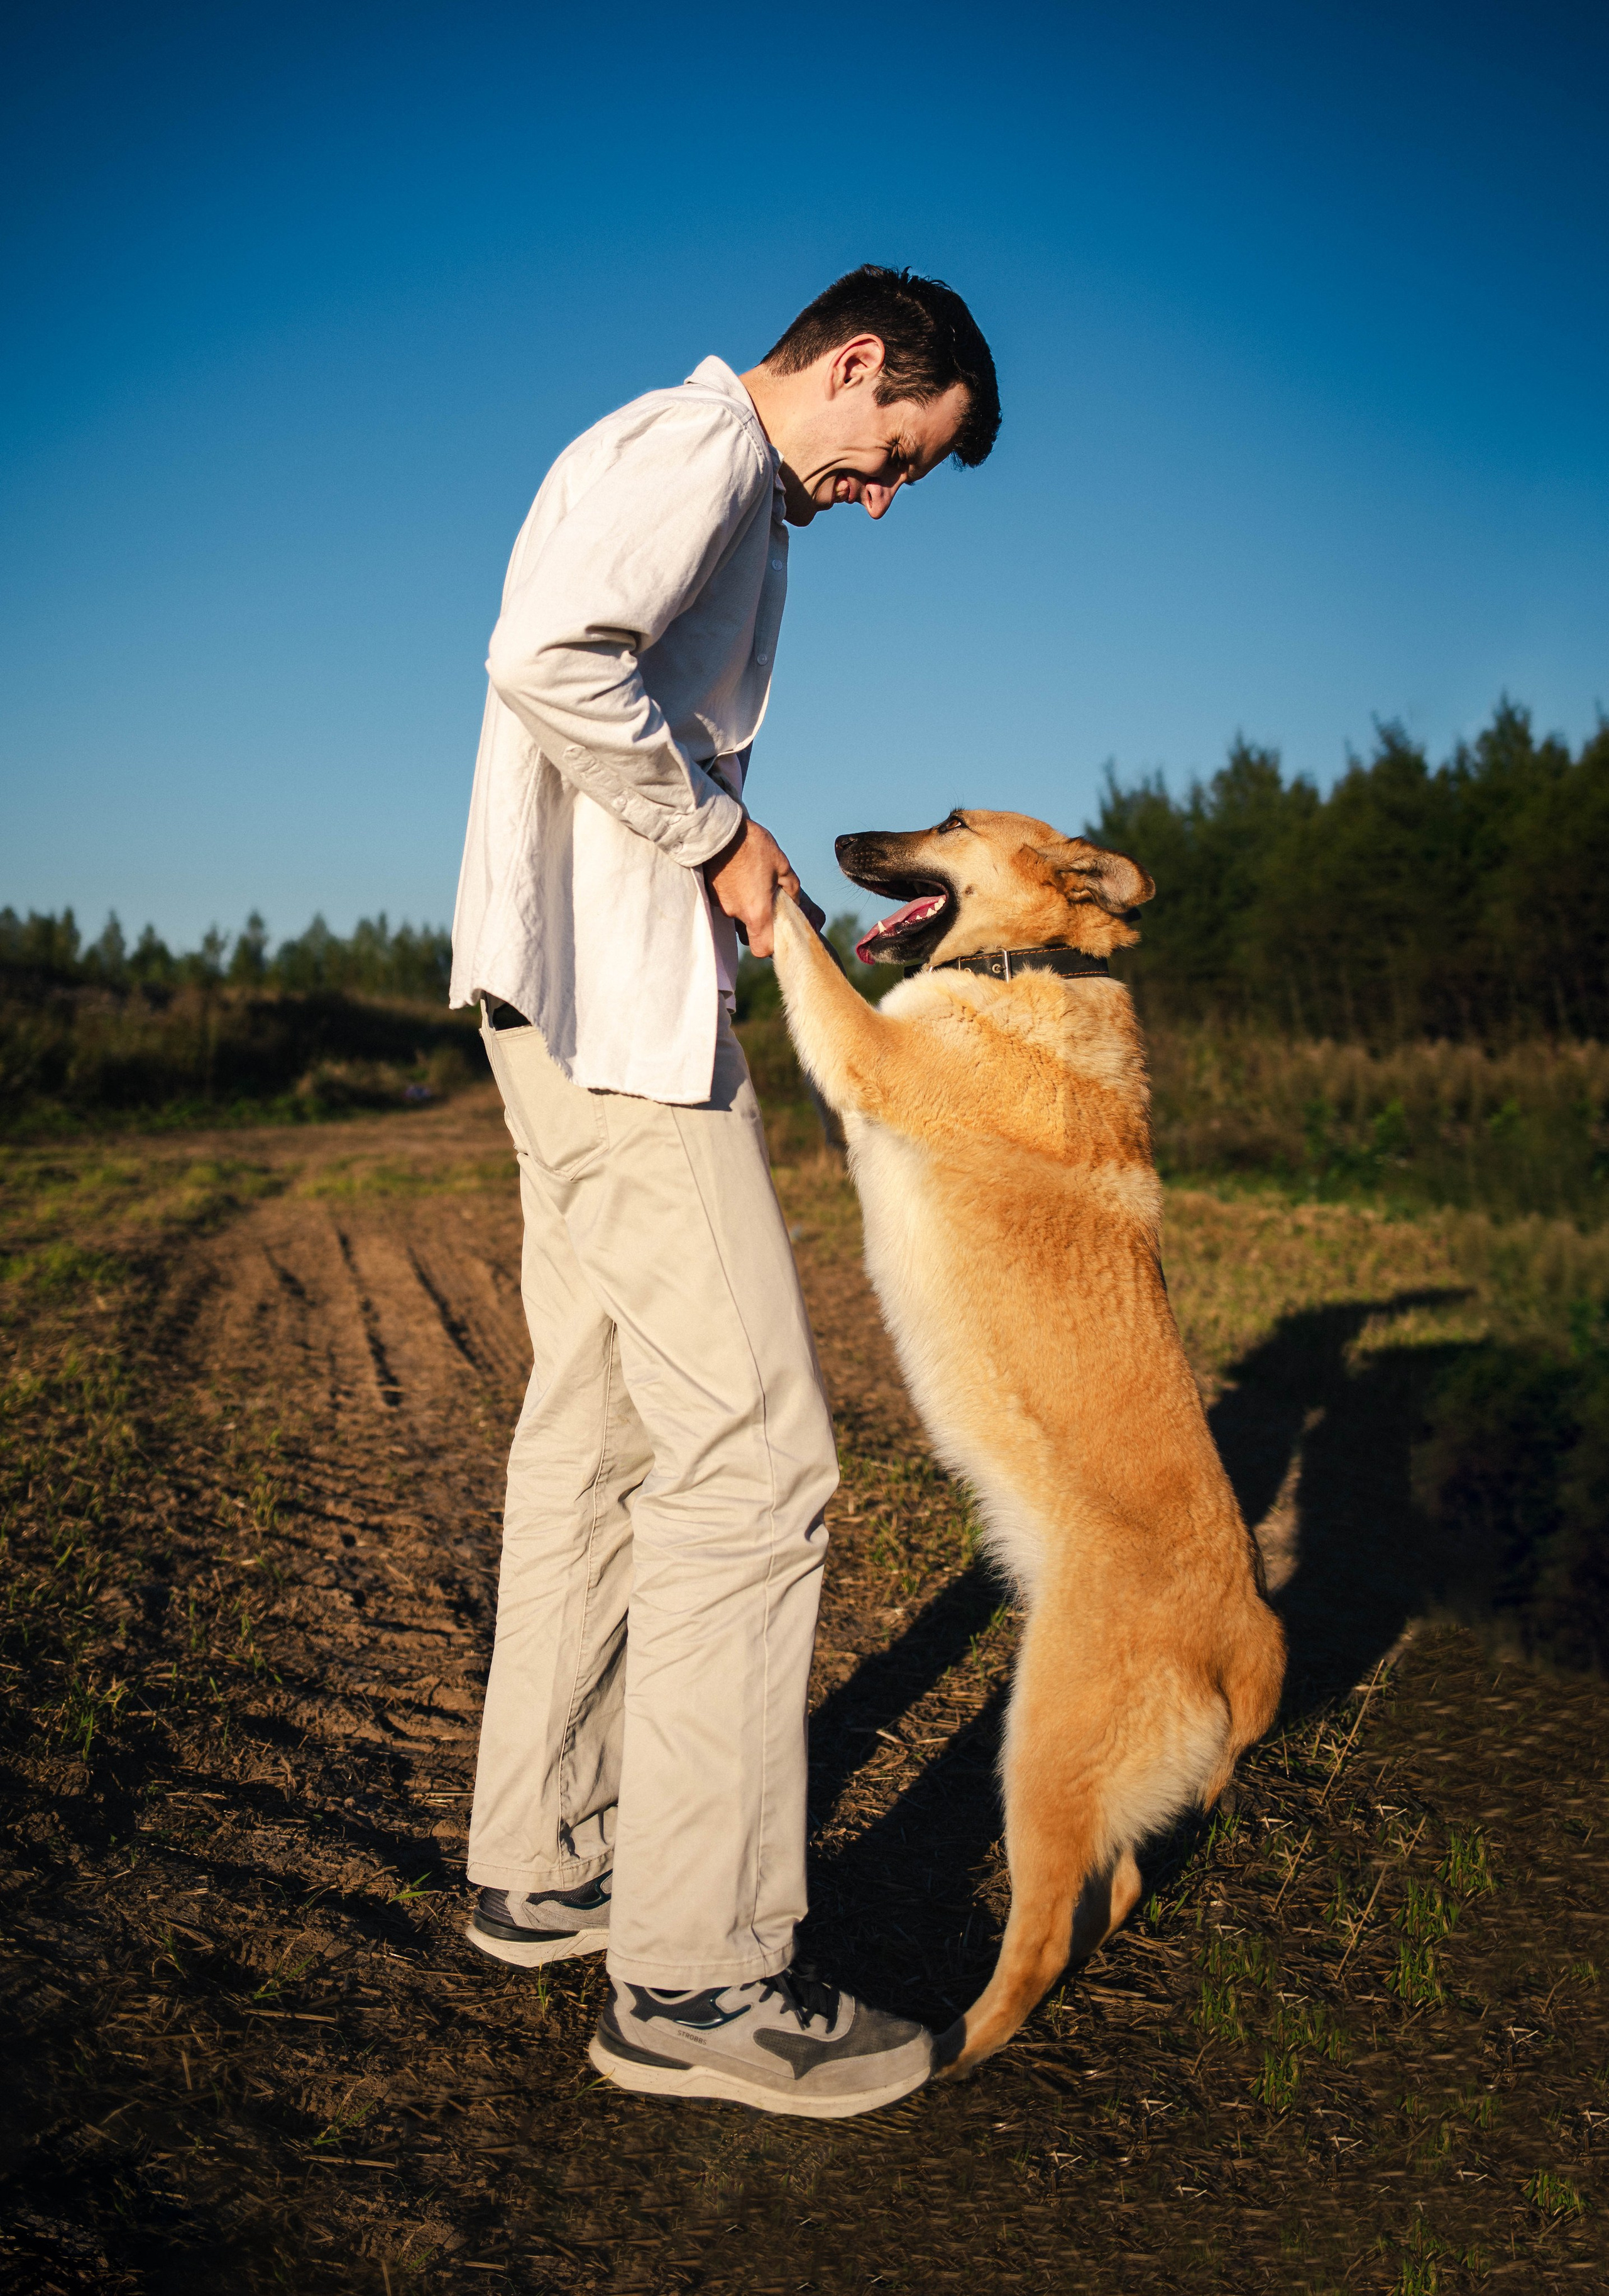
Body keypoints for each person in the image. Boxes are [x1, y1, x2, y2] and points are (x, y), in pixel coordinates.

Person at [449, 265, 1000, 2119]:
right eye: (895, 452)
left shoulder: (687, 462)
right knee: (758, 1458)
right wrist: (721, 833)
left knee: (602, 1429)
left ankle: (546, 1855)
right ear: (855, 364)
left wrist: (718, 856)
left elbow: (589, 681)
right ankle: (697, 1977)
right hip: (610, 1018)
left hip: (578, 995)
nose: (886, 497)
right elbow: (546, 657)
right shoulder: (697, 448)